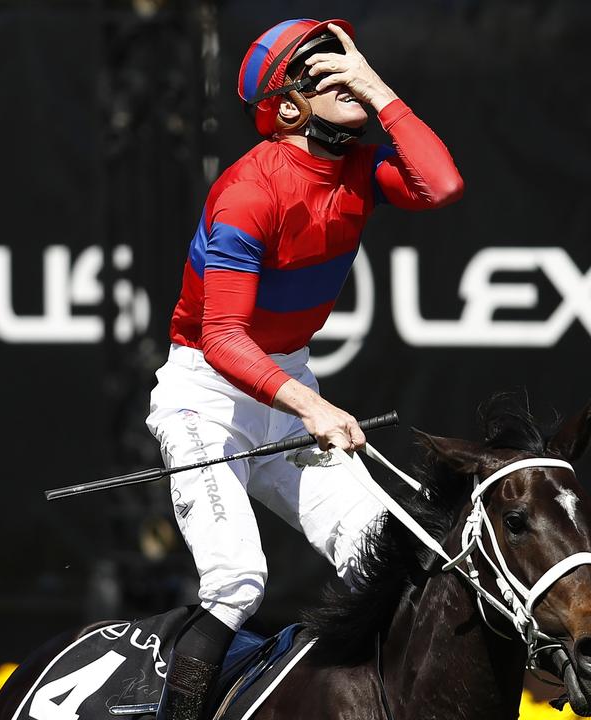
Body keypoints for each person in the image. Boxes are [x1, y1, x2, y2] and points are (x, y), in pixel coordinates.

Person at [145, 17, 463, 719]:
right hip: (207, 397)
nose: (348, 75)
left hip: (284, 386)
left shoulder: (360, 166)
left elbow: (440, 186)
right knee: (236, 584)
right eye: (326, 73)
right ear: (288, 107)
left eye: (352, 62)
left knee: (385, 556)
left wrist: (377, 89)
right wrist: (311, 407)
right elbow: (223, 340)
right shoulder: (247, 192)